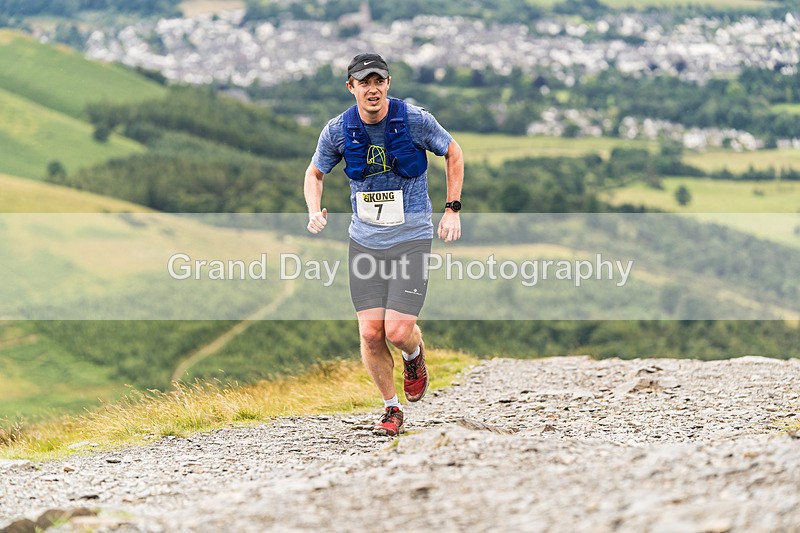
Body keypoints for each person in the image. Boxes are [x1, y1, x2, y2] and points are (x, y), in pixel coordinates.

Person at [304, 52, 464, 436]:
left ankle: (414, 353)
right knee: (370, 333)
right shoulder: (338, 130)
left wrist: (452, 209)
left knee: (396, 331)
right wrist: (313, 210)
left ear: (387, 83)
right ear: (351, 87)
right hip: (365, 241)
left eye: (379, 81)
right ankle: (392, 409)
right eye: (364, 82)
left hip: (411, 238)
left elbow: (453, 152)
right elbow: (314, 173)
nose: (372, 89)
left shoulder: (415, 120)